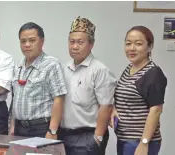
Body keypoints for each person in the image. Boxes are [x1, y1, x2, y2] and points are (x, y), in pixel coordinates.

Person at [59, 16, 117, 155]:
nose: (74, 46)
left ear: (91, 44)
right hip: (63, 136)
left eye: (80, 42)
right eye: (71, 42)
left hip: (87, 137)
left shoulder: (99, 70)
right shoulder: (64, 68)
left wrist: (97, 137)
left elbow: (106, 106)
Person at [112, 26, 167, 155]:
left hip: (139, 141)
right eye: (128, 43)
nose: (132, 48)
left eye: (138, 44)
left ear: (150, 47)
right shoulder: (129, 69)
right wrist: (113, 109)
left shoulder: (153, 73)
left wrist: (144, 143)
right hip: (124, 138)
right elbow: (123, 96)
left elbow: (156, 110)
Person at [9, 22, 67, 139]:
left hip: (41, 128)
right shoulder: (19, 65)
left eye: (32, 40)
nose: (27, 44)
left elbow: (59, 99)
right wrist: (12, 126)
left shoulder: (51, 64)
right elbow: (15, 99)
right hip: (19, 128)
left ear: (42, 41)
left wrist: (53, 131)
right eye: (23, 41)